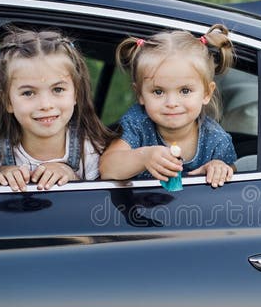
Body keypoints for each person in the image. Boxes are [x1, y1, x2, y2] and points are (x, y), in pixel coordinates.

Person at [99, 24, 237, 188]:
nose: (171, 103)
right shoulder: (137, 124)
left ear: (207, 93)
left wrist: (218, 167)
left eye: (185, 91)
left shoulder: (216, 139)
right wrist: (144, 157)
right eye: (158, 92)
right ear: (140, 95)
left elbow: (233, 171)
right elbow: (107, 168)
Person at [0, 26, 117, 191]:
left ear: (76, 93)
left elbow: (102, 201)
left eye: (58, 90)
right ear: (8, 102)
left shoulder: (92, 153)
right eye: (28, 93)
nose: (46, 105)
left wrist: (73, 177)